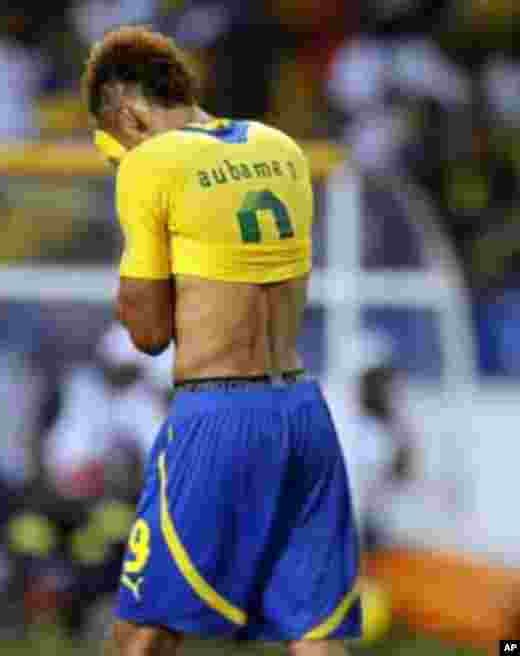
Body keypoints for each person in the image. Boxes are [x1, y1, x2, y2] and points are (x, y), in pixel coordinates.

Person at [81, 26, 359, 655]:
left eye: (116, 140)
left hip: (220, 414)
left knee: (143, 629)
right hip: (302, 412)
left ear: (129, 113)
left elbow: (149, 334)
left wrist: (131, 289)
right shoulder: (280, 147)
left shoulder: (151, 165)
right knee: (315, 634)